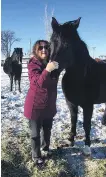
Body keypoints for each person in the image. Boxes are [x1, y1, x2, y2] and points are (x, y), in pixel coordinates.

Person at [24, 40, 59, 167]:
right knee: (35, 134)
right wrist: (48, 70)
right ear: (36, 50)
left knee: (47, 130)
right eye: (40, 48)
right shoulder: (33, 64)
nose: (44, 50)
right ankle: (36, 155)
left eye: (46, 47)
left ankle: (45, 149)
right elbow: (38, 83)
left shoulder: (51, 63)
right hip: (35, 106)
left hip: (48, 105)